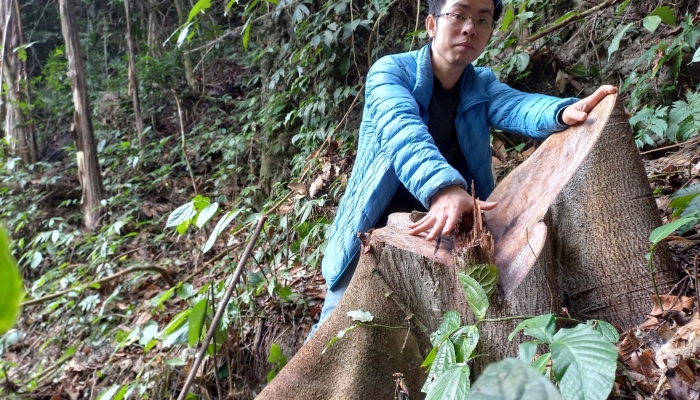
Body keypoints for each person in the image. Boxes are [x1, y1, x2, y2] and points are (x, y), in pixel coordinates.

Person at [307, 0, 617, 339]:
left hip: (448, 235)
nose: (470, 27)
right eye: (459, 15)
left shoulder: (479, 84)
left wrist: (561, 111)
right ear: (431, 24)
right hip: (370, 229)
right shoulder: (390, 72)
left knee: (429, 337)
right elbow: (401, 128)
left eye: (482, 20)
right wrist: (443, 188)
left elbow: (516, 105)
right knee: (333, 335)